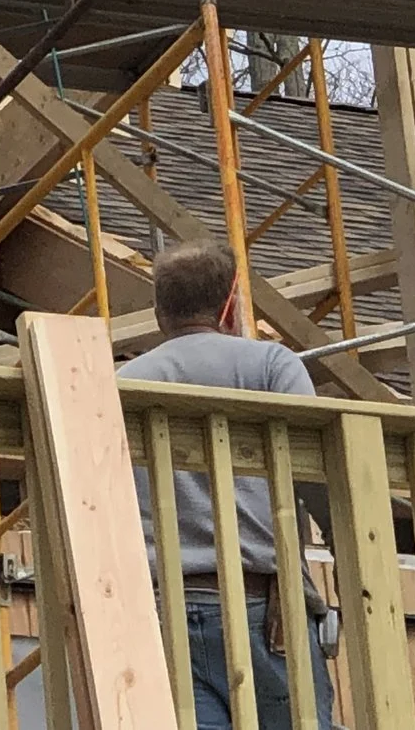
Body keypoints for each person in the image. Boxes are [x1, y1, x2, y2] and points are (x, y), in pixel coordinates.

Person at [117, 243, 335, 729]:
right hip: (260, 609)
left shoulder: (122, 382)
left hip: (161, 607)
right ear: (231, 303)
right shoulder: (271, 367)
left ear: (159, 312)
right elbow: (316, 471)